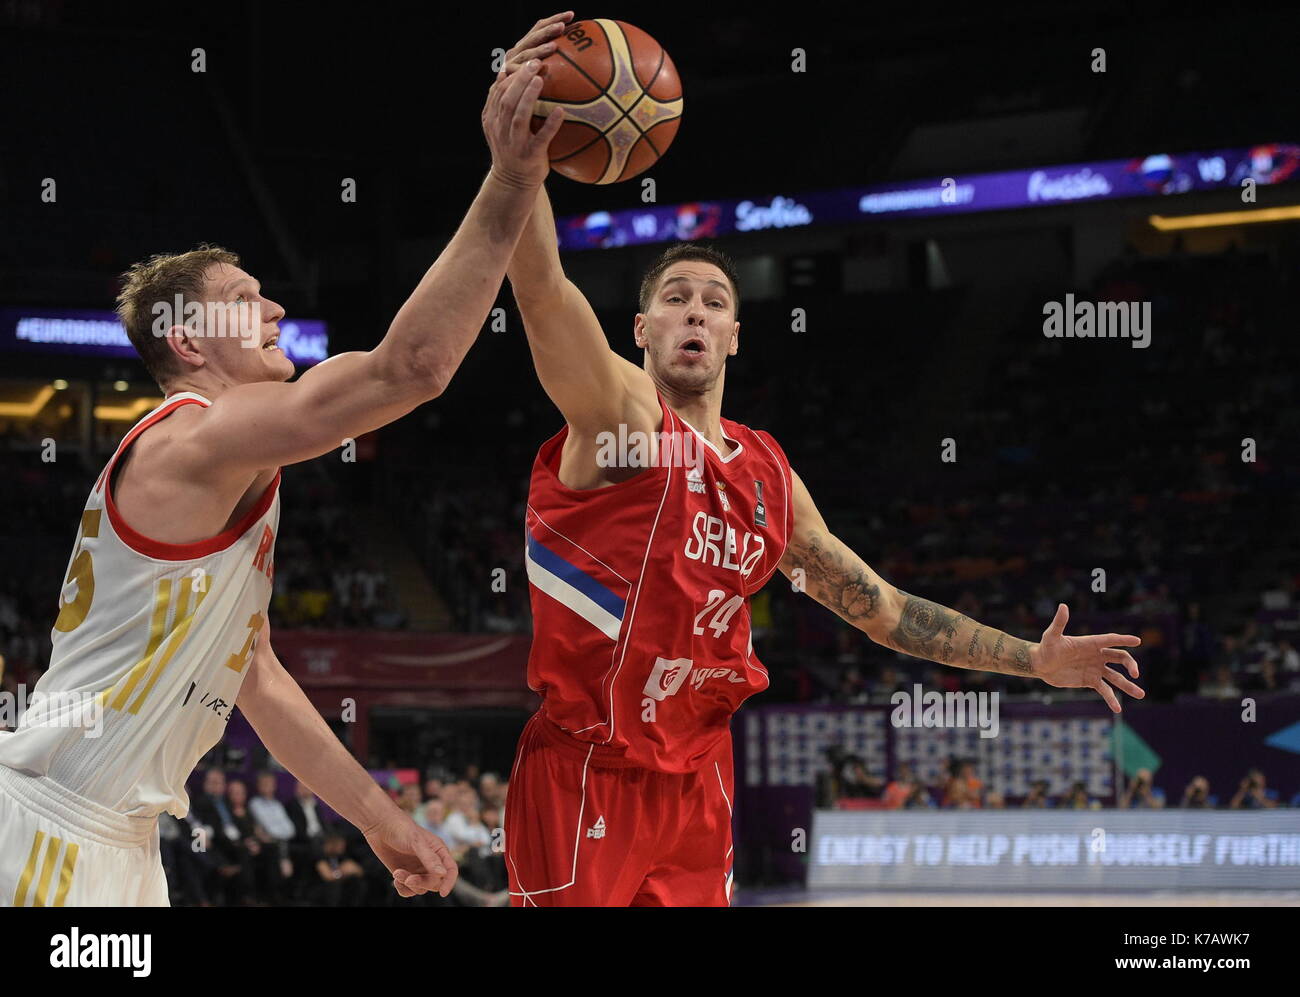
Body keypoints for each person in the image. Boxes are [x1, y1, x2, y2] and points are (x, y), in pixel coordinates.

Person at [497, 12, 1145, 907]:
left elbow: (881, 610)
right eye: (674, 299)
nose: (694, 311)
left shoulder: (765, 472)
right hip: (586, 772)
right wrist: (521, 167)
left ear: (734, 334)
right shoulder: (620, 417)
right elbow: (540, 293)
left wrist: (1032, 663)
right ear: (639, 333)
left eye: (713, 301)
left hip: (700, 779)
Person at [0, 57, 565, 907]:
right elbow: (411, 366)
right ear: (188, 342)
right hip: (52, 827)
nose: (275, 311)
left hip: (122, 842)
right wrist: (513, 177)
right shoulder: (192, 438)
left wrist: (381, 819)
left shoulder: (234, 468)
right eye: (245, 298)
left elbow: (255, 676)